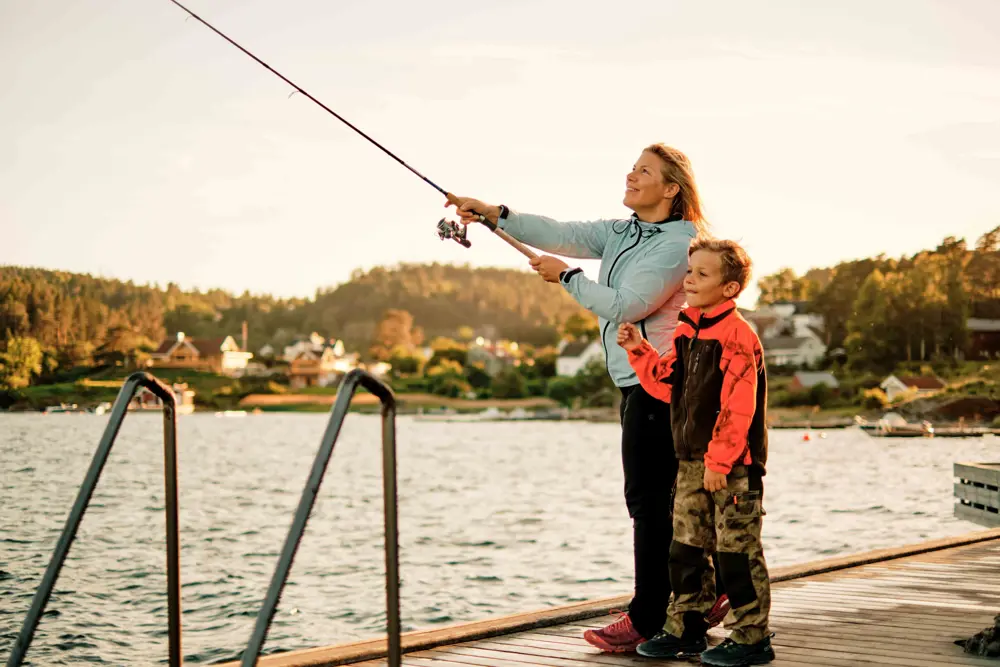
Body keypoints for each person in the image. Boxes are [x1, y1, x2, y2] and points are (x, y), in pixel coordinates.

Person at [447, 144, 727, 652]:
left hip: (664, 383)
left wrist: (568, 278)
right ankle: (708, 593)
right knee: (667, 499)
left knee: (650, 502)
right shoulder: (622, 231)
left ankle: (649, 615)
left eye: (644, 170)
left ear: (671, 189)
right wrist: (493, 214)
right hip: (635, 382)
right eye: (633, 166)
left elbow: (627, 304)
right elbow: (564, 234)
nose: (631, 174)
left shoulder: (678, 244)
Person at [618, 237, 774, 666]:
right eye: (690, 271)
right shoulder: (689, 329)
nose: (689, 279)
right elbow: (666, 384)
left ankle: (751, 637)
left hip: (731, 468)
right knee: (685, 547)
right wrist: (639, 350)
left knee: (735, 552)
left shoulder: (738, 336)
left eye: (702, 274)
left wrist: (718, 462)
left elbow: (738, 406)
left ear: (730, 288)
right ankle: (685, 627)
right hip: (690, 462)